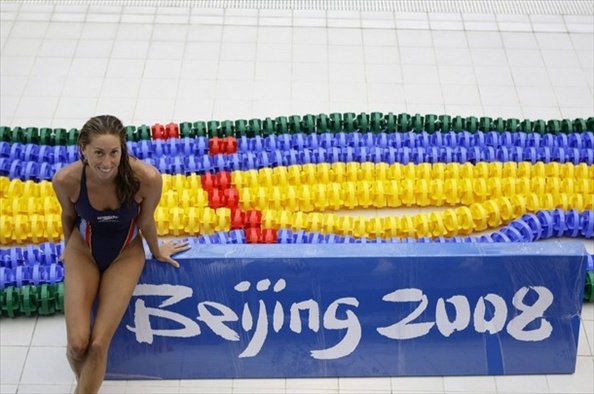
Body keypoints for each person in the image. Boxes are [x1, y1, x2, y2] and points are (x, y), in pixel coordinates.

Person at [52, 115, 190, 394]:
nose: (107, 162)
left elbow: (146, 221)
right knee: (78, 344)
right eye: (99, 153)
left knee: (99, 344)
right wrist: (68, 248)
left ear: (123, 149)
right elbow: (68, 216)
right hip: (84, 251)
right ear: (83, 149)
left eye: (114, 152)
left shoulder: (146, 178)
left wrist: (157, 251)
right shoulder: (66, 180)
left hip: (125, 254)